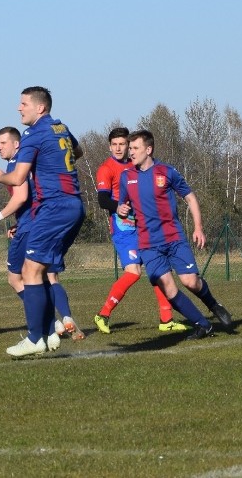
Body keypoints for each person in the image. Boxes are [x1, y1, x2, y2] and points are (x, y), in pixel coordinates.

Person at [0, 86, 85, 358]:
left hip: (53, 207)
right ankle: (47, 331)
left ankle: (36, 338)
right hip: (74, 205)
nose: (19, 108)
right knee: (40, 271)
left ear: (40, 108)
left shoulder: (33, 135)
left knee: (30, 272)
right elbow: (77, 152)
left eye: (23, 104)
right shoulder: (61, 128)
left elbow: (17, 178)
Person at [117, 130, 233, 339]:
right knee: (168, 289)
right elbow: (122, 205)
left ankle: (213, 305)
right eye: (130, 148)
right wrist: (120, 209)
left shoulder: (166, 172)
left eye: (135, 148)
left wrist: (198, 227)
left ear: (148, 149)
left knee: (191, 282)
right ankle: (202, 325)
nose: (130, 152)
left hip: (174, 238)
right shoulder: (126, 177)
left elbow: (190, 198)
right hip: (148, 244)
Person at [93, 127, 188, 333]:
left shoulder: (135, 166)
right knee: (134, 272)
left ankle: (166, 320)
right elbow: (102, 199)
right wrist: (118, 207)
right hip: (123, 230)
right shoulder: (106, 168)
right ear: (109, 146)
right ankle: (103, 314)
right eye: (115, 144)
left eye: (123, 144)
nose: (119, 148)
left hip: (144, 227)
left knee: (158, 270)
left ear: (128, 146)